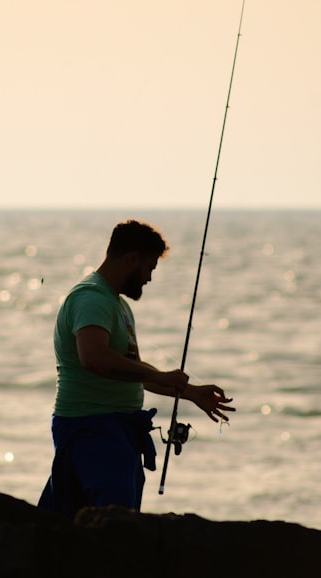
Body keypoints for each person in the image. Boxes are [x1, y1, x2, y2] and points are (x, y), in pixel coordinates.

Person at [38, 219, 235, 518]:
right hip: (92, 431)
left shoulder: (117, 305)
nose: (149, 278)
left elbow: (131, 372)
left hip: (118, 432)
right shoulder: (91, 298)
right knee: (109, 527)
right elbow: (93, 357)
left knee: (106, 524)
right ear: (131, 259)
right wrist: (157, 374)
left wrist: (191, 393)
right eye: (149, 268)